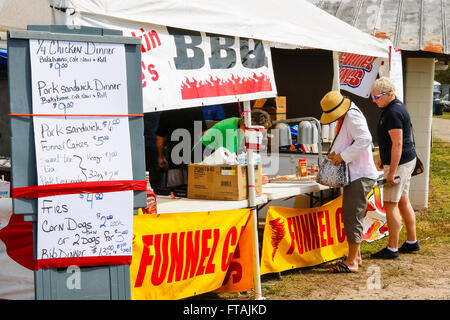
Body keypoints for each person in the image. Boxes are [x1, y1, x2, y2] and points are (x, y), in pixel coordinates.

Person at [320, 91, 379, 273]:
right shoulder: (351, 113)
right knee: (353, 216)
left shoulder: (352, 115)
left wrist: (342, 156)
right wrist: (337, 154)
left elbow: (364, 139)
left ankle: (352, 262)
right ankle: (355, 257)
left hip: (359, 174)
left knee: (352, 217)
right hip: (357, 174)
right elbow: (353, 140)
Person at [370, 77, 420, 259]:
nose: (374, 100)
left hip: (399, 163)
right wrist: (384, 159)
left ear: (389, 94)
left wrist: (391, 172)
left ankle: (392, 248)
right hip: (404, 160)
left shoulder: (393, 112)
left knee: (390, 204)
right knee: (403, 200)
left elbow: (397, 144)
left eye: (377, 97)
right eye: (372, 97)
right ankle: (411, 242)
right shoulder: (394, 107)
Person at [156, 107, 207, 187]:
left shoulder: (167, 111)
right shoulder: (196, 110)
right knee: (195, 191)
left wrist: (160, 156)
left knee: (175, 193)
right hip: (194, 161)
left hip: (175, 161)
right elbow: (203, 134)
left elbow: (159, 137)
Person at [197, 109, 272, 155]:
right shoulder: (230, 131)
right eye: (256, 131)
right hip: (202, 155)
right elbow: (230, 160)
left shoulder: (238, 122)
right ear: (250, 124)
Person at [144, 111, 162, 189]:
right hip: (154, 143)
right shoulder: (159, 112)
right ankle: (156, 189)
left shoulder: (143, 110)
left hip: (143, 143)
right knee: (155, 170)